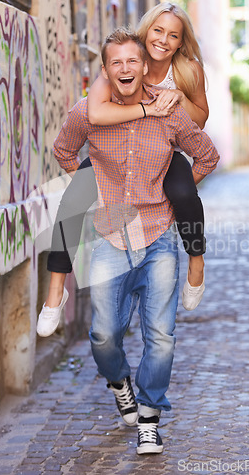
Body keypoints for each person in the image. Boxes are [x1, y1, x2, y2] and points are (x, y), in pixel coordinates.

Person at [48, 27, 219, 455]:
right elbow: (64, 152)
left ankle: (149, 417)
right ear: (104, 70)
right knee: (104, 336)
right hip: (111, 238)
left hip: (159, 237)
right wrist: (92, 193)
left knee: (160, 335)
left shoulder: (169, 112)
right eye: (116, 62)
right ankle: (120, 382)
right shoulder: (85, 114)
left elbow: (207, 155)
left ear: (145, 67)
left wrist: (173, 197)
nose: (125, 68)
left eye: (133, 60)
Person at [37, 2, 209, 338]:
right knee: (72, 204)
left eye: (173, 35)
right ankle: (55, 292)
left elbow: (199, 122)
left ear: (181, 41)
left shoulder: (188, 68)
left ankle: (197, 262)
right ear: (146, 33)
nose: (163, 40)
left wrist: (174, 98)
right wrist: (100, 187)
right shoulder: (126, 56)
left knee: (185, 192)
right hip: (112, 152)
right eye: (158, 31)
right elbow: (96, 115)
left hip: (162, 150)